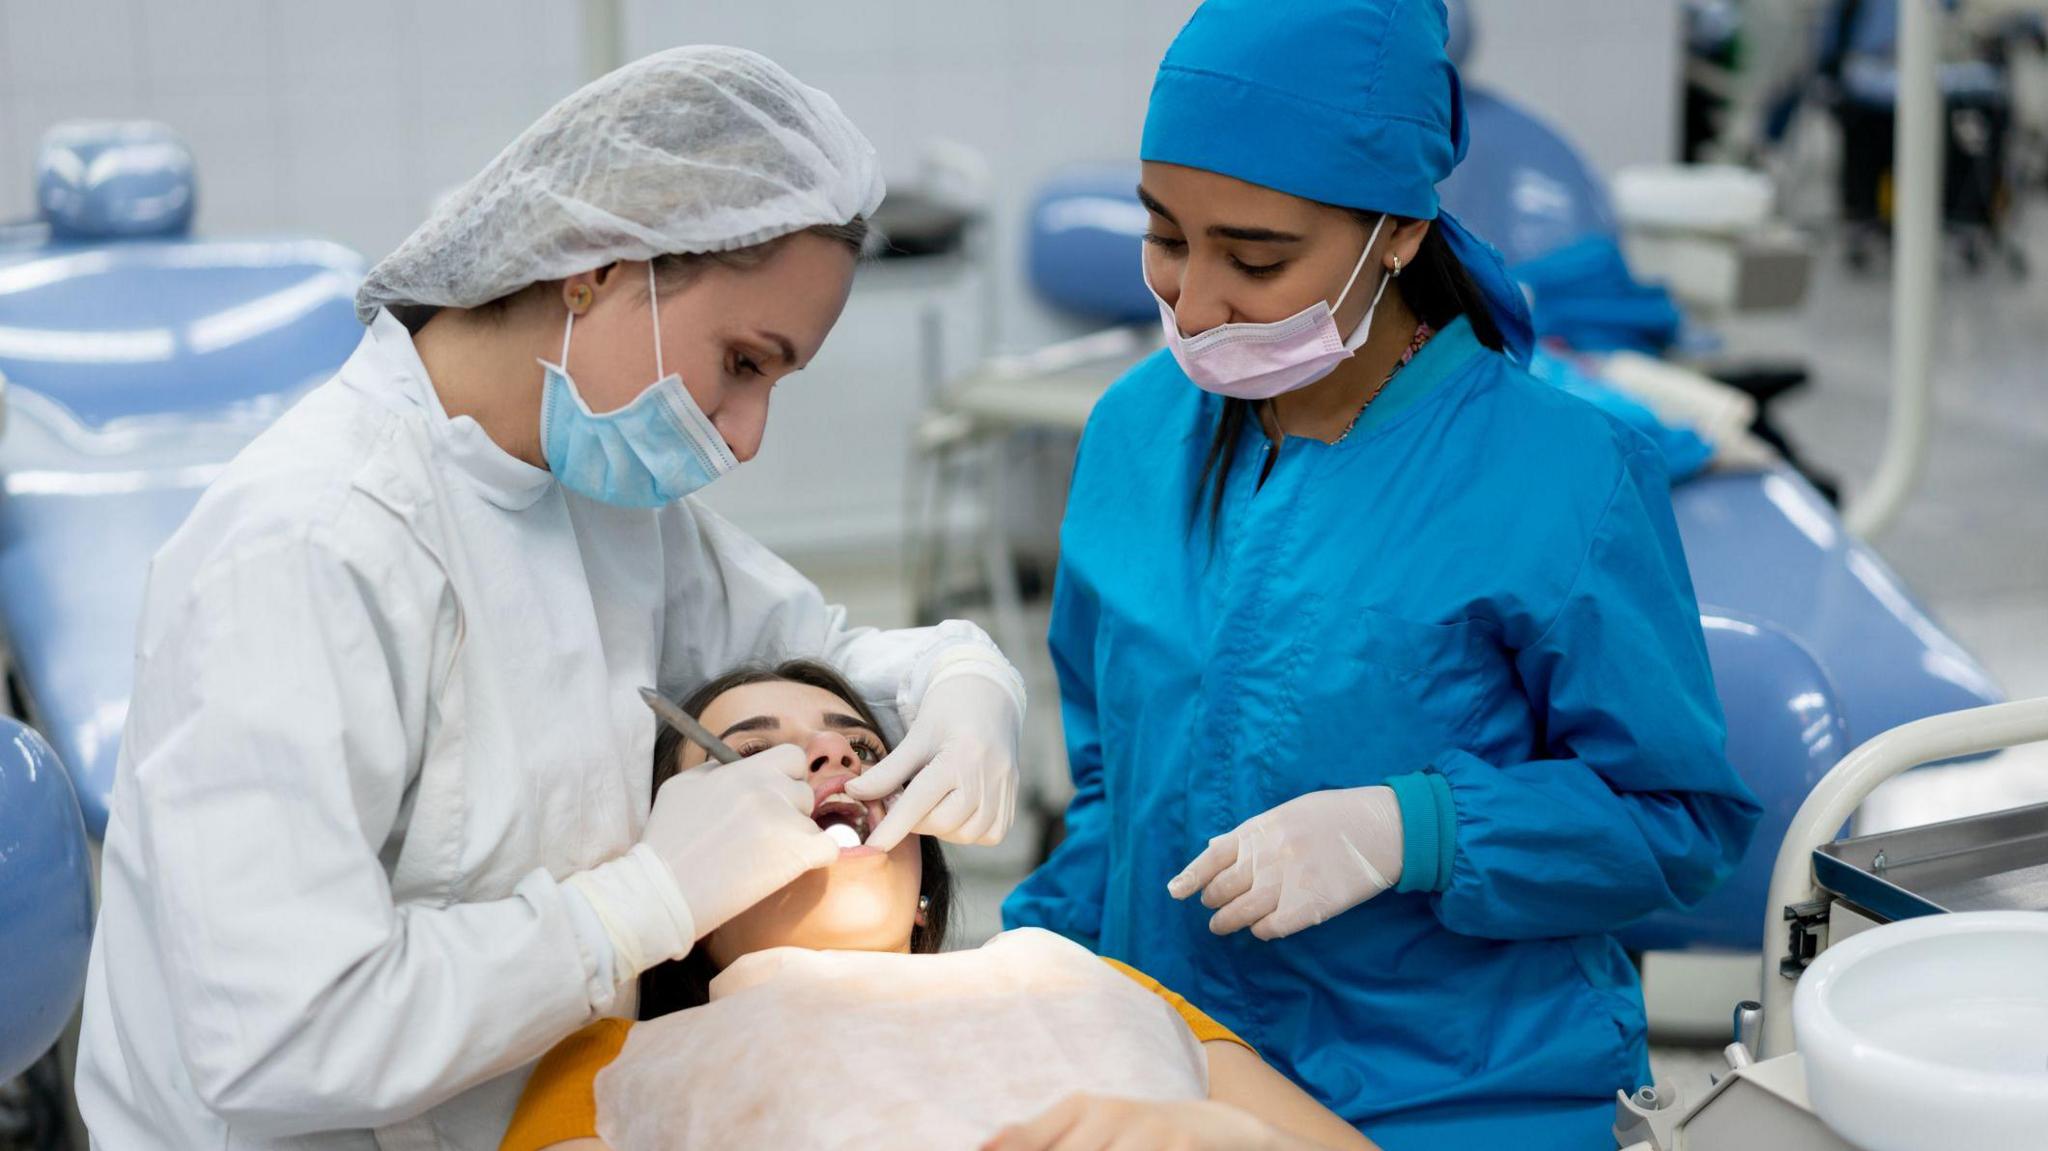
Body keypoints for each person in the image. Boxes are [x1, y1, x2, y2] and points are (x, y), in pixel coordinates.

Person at [75, 47, 1024, 1150]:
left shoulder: (602, 498)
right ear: (599, 266)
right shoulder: (309, 547)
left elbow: (818, 661)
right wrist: (640, 903)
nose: (745, 435)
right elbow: (282, 1037)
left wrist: (963, 676)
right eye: (741, 362)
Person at [1001, 3, 1763, 1149]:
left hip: (1459, 1089)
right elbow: (1114, 781)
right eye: (1163, 238)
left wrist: (1414, 828)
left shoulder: (1559, 474)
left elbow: (1676, 821)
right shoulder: (1132, 433)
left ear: (1397, 233)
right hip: (1176, 1047)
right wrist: (1028, 965)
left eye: (1253, 257)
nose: (1193, 304)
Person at [498, 662, 1378, 1151]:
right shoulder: (614, 1062)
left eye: (863, 748)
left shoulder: (1090, 980)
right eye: (750, 760)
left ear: (926, 887)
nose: (829, 757)